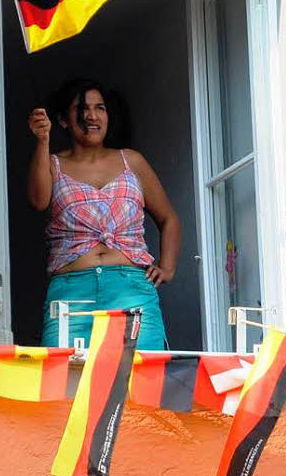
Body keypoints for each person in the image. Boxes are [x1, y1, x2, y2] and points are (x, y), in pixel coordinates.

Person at [27, 78, 181, 350]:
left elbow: (168, 219)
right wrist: (42, 141)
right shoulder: (53, 164)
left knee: (139, 382)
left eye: (100, 108)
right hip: (71, 295)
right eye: (82, 108)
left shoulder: (131, 161)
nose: (91, 115)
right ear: (63, 119)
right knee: (65, 383)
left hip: (131, 290)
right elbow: (38, 201)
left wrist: (167, 267)